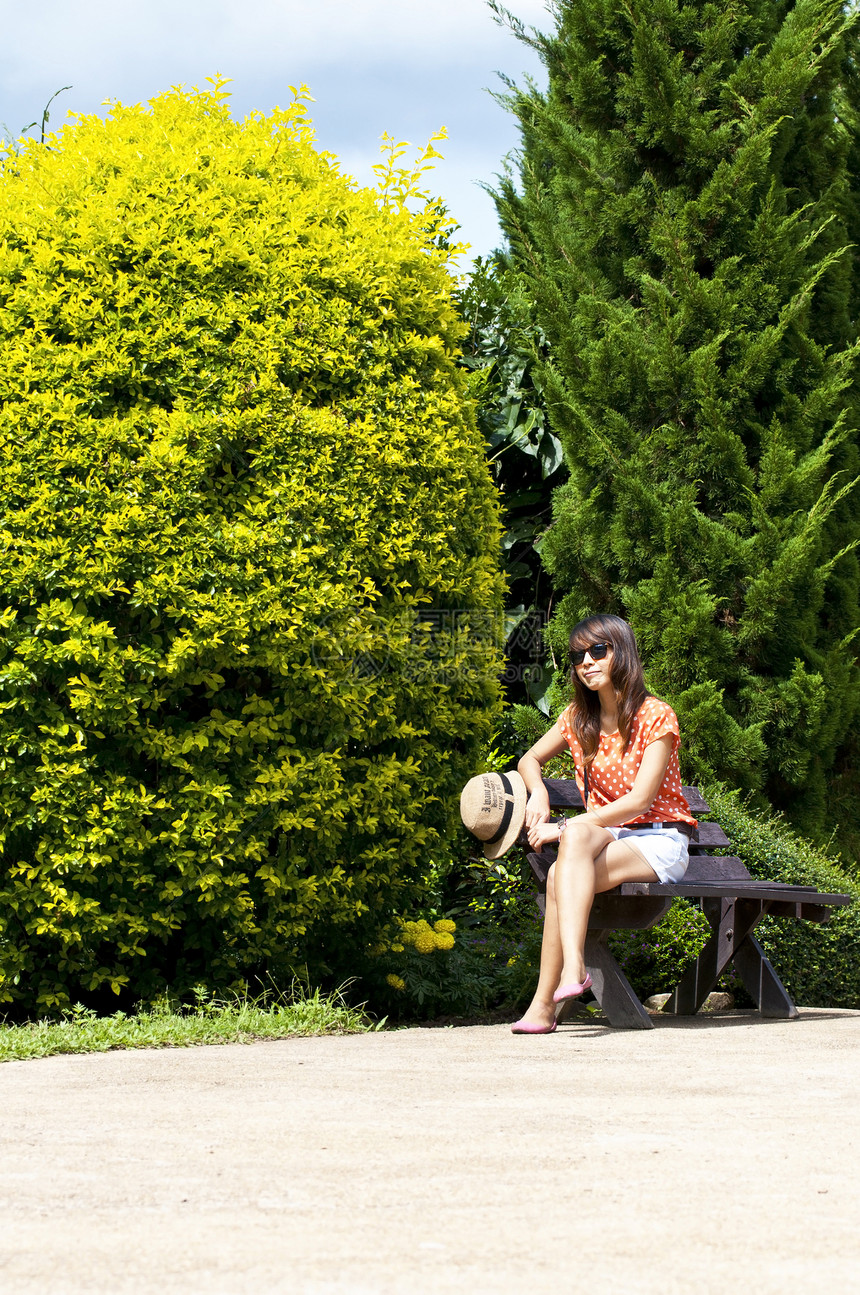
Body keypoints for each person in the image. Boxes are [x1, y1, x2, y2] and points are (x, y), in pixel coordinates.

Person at [511, 613, 696, 1034]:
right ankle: (571, 972)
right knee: (565, 861)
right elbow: (529, 759)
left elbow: (641, 800)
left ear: (622, 652)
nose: (587, 663)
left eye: (599, 651)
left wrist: (564, 825)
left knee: (563, 867)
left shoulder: (655, 715)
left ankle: (546, 1001)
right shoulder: (579, 718)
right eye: (578, 656)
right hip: (607, 834)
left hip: (659, 838)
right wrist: (538, 792)